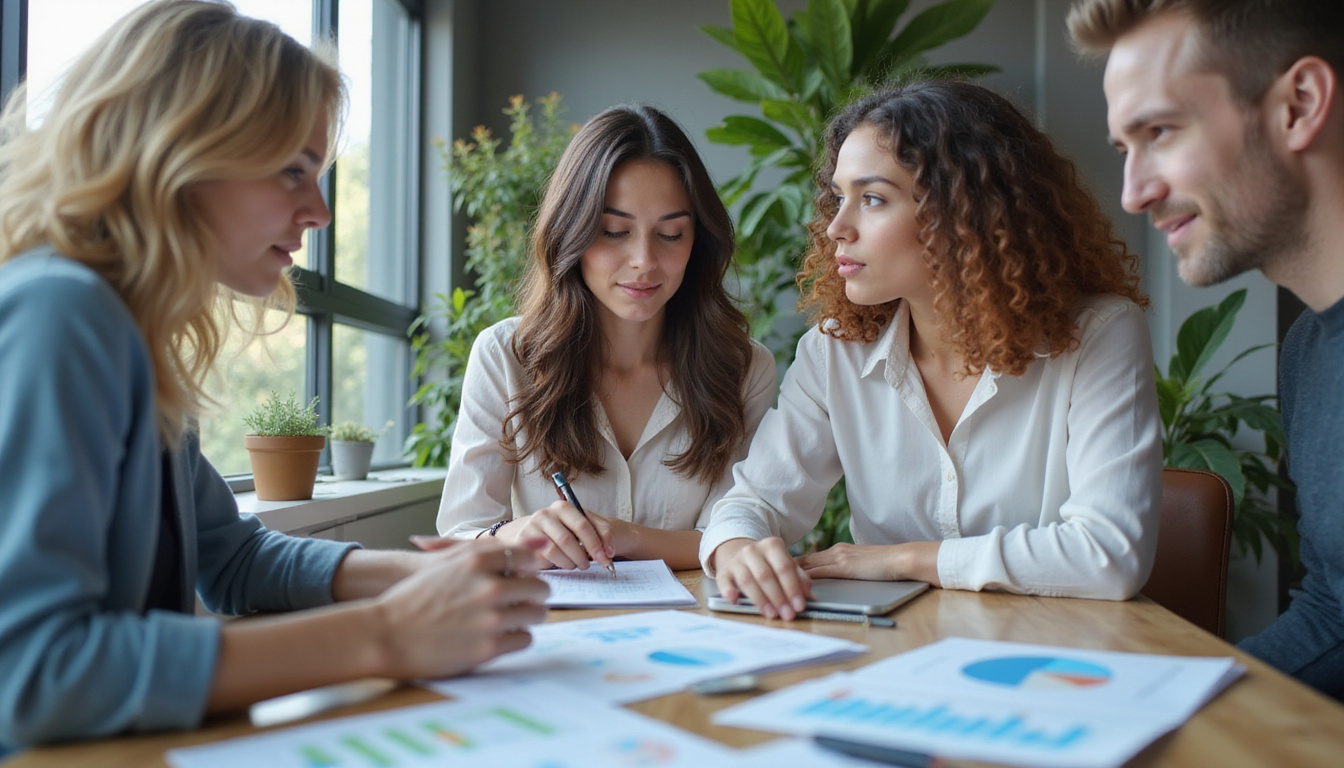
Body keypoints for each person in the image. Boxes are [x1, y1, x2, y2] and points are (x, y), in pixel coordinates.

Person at [0, 0, 548, 749]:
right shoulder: (61, 312)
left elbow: (231, 558)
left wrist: (415, 578)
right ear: (178, 152)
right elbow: (28, 670)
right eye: (293, 171)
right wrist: (387, 635)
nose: (320, 211)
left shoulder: (131, 333)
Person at [702, 80, 1164, 620]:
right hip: (889, 648)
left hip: (1048, 648)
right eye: (838, 197)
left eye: (872, 199)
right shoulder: (834, 350)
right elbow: (753, 502)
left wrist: (902, 559)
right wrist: (738, 547)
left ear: (964, 214)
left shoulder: (1099, 334)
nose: (836, 228)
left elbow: (1109, 554)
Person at [1069, 0, 1344, 699]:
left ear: (1299, 106)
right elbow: (1334, 613)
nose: (1133, 194)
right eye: (1124, 149)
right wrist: (1154, 704)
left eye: (1159, 131)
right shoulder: (1310, 351)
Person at [436, 105, 777, 572]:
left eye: (671, 234)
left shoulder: (743, 369)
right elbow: (461, 533)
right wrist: (516, 534)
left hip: (695, 613)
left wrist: (624, 537)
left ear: (697, 241)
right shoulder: (505, 356)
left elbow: (732, 534)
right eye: (614, 231)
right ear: (570, 231)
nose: (644, 260)